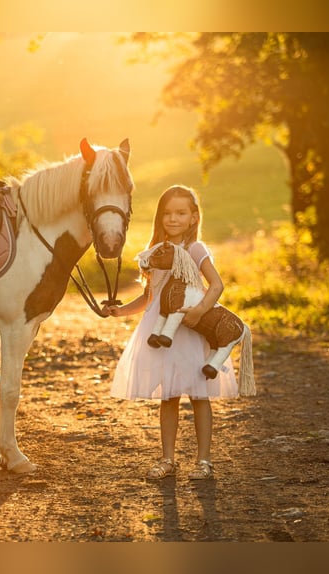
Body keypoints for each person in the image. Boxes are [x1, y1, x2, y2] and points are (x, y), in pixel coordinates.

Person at [103, 185, 238, 480]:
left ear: (193, 217)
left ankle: (204, 461)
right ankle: (167, 459)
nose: (173, 218)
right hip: (161, 331)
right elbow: (150, 296)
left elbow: (216, 285)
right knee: (169, 396)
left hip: (191, 329)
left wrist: (200, 311)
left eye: (180, 213)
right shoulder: (156, 253)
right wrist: (121, 310)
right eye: (167, 213)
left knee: (199, 395)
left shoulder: (195, 250)